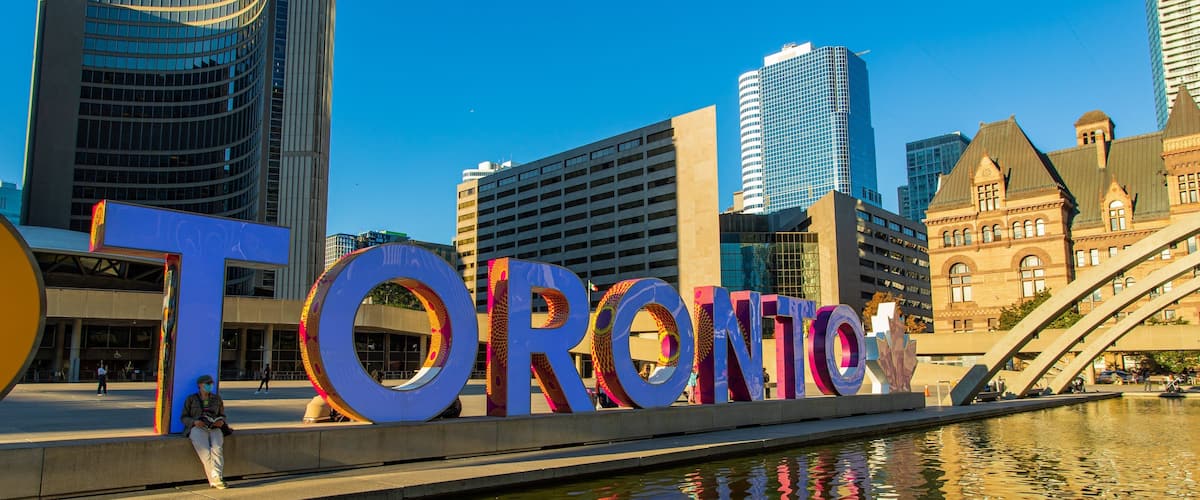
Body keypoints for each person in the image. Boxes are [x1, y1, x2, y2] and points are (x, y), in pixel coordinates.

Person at [182, 374, 229, 489]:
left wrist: (220, 421)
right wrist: (194, 422)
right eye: (207, 384)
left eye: (211, 384)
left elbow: (222, 415)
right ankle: (217, 477)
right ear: (200, 385)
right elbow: (184, 417)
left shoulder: (217, 399)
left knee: (217, 448)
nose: (210, 386)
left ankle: (215, 479)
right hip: (198, 428)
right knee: (205, 452)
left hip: (214, 427)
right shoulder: (191, 399)